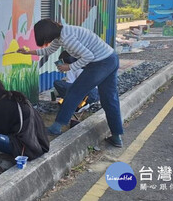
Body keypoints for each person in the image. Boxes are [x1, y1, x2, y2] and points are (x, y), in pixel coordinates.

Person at [18, 19, 124, 147]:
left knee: (74, 92)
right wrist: (28, 52)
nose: (45, 41)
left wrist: (70, 67)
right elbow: (48, 50)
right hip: (111, 58)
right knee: (110, 98)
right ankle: (117, 136)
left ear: (48, 34)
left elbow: (88, 56)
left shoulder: (67, 38)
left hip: (100, 63)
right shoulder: (61, 34)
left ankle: (56, 127)